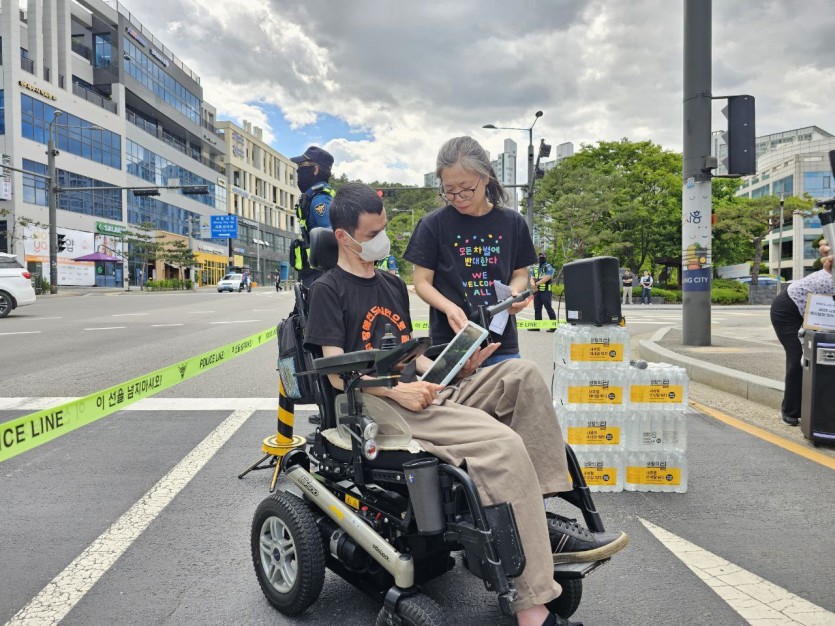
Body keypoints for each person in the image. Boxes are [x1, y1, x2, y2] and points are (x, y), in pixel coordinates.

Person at [305, 183, 628, 626]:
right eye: (373, 234)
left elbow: (410, 358)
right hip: (377, 407)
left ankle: (541, 517)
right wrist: (396, 391)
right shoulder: (328, 289)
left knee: (522, 376)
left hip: (423, 392)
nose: (383, 240)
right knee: (502, 445)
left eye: (384, 229)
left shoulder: (391, 285)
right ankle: (532, 609)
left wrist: (456, 365)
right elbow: (334, 372)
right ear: (343, 237)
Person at [405, 136, 534, 366]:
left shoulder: (512, 222)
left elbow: (520, 273)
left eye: (466, 189)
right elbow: (422, 282)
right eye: (449, 191)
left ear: (485, 177)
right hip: (450, 342)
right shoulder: (432, 225)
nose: (458, 198)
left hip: (501, 343)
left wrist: (514, 294)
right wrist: (449, 308)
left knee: (516, 381)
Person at [770, 241, 833, 426]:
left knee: (817, 358)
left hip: (812, 311)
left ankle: (812, 406)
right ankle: (789, 411)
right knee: (798, 357)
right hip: (787, 309)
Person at [290, 146, 336, 287]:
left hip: (319, 273)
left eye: (302, 166)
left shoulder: (320, 199)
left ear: (315, 169)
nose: (298, 170)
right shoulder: (312, 197)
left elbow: (332, 237)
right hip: (315, 272)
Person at [529, 252, 557, 332]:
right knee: (537, 309)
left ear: (545, 257)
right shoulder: (536, 267)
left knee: (548, 308)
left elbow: (547, 278)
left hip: (546, 291)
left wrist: (536, 284)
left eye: (543, 256)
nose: (541, 257)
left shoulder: (549, 267)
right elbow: (532, 278)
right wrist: (532, 284)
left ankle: (553, 326)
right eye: (540, 256)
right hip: (537, 291)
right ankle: (537, 326)